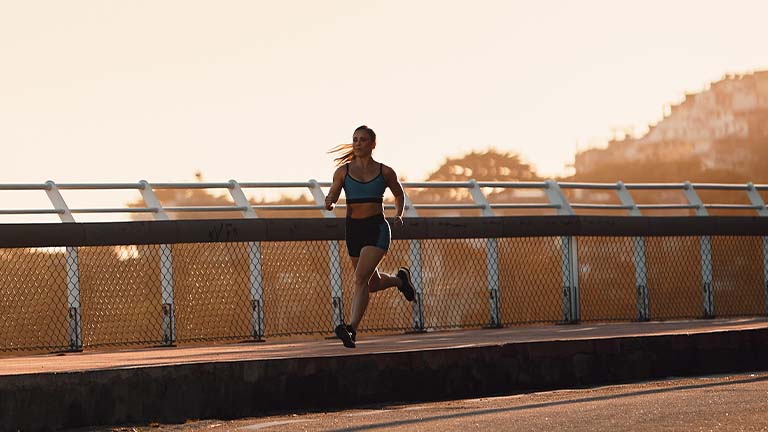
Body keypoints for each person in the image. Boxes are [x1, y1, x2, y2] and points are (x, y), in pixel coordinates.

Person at [325, 125, 416, 348]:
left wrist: (399, 214)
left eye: (363, 140)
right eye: (355, 139)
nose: (357, 143)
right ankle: (400, 280)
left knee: (359, 279)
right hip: (353, 230)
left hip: (377, 229)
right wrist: (330, 202)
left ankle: (351, 329)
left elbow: (398, 194)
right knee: (372, 283)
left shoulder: (385, 172)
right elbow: (333, 194)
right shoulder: (343, 172)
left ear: (373, 144)